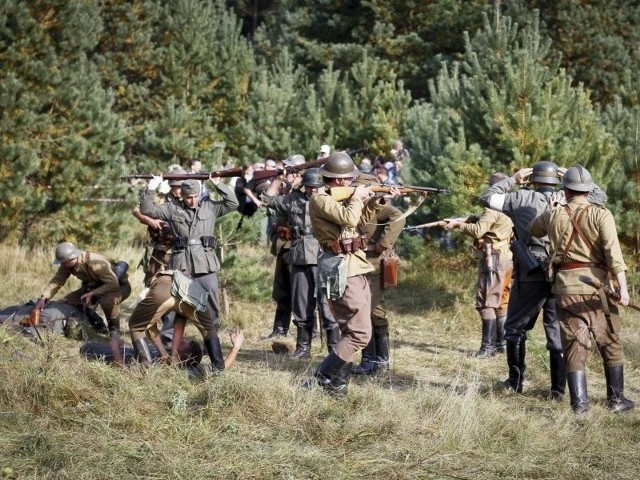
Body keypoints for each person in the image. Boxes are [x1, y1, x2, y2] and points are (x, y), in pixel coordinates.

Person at [480, 161, 607, 398]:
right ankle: (558, 390)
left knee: (515, 328)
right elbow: (600, 196)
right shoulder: (569, 196)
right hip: (561, 273)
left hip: (531, 273)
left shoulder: (519, 199)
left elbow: (487, 197)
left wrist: (513, 179)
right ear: (557, 181)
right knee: (557, 332)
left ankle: (515, 383)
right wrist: (569, 176)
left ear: (532, 180)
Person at [529, 164, 634, 414]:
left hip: (564, 288)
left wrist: (552, 209)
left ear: (564, 190)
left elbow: (534, 230)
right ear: (588, 191)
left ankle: (580, 406)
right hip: (597, 288)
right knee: (609, 341)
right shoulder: (601, 215)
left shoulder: (554, 214)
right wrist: (623, 289)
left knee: (574, 344)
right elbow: (613, 254)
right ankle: (616, 400)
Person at [304, 152, 395, 398]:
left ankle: (338, 386)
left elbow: (361, 223)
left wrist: (376, 201)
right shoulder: (320, 199)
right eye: (348, 180)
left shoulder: (343, 198)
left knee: (351, 331)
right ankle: (321, 377)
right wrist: (357, 197)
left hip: (356, 266)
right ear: (340, 180)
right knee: (360, 334)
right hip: (340, 268)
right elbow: (349, 217)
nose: (351, 183)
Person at [140, 175, 239, 360]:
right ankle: (172, 350)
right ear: (182, 197)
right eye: (188, 197)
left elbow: (232, 203)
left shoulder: (210, 206)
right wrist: (152, 187)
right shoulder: (172, 208)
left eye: (195, 196)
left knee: (211, 311)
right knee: (177, 311)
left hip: (205, 266)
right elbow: (146, 209)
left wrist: (218, 185)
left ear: (200, 194)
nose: (192, 200)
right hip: (182, 265)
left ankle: (212, 352)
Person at [262, 169, 340, 358]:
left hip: (324, 254)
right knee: (301, 303)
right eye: (309, 186)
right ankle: (303, 347)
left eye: (315, 187)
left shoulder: (331, 198)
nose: (312, 190)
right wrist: (278, 180)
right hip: (299, 255)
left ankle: (335, 349)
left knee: (328, 303)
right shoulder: (292, 199)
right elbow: (267, 200)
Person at [445, 172, 514, 358]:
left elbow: (478, 231)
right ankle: (502, 345)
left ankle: (487, 347)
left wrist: (457, 225)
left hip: (493, 260)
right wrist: (472, 218)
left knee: (486, 302)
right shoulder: (512, 207)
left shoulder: (491, 209)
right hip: (508, 259)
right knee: (502, 302)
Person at [32, 242, 132, 366]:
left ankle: (114, 334)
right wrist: (44, 298)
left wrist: (93, 294)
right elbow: (57, 281)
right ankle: (92, 325)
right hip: (95, 287)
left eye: (63, 262)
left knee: (107, 301)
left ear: (71, 258)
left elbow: (113, 284)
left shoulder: (93, 261)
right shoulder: (66, 264)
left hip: (118, 287)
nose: (62, 265)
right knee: (67, 300)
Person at [128, 270, 244, 372]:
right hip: (194, 296)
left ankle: (146, 368)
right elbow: (179, 326)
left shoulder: (186, 370)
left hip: (166, 287)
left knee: (136, 326)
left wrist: (166, 354)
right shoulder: (191, 370)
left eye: (182, 342)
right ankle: (217, 368)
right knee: (209, 331)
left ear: (184, 357)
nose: (182, 339)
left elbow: (151, 327)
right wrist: (236, 347)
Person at [350, 174, 406, 375]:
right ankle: (374, 359)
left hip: (374, 263)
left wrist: (381, 244)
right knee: (369, 311)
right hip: (360, 263)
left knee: (368, 311)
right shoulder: (358, 206)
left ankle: (375, 360)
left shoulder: (377, 206)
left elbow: (398, 217)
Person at [262, 154, 306, 340]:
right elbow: (266, 199)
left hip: (302, 247)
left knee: (302, 293)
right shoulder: (284, 190)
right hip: (284, 245)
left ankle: (308, 333)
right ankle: (280, 329)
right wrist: (278, 180)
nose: (285, 172)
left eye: (289, 169)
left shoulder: (306, 190)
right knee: (282, 290)